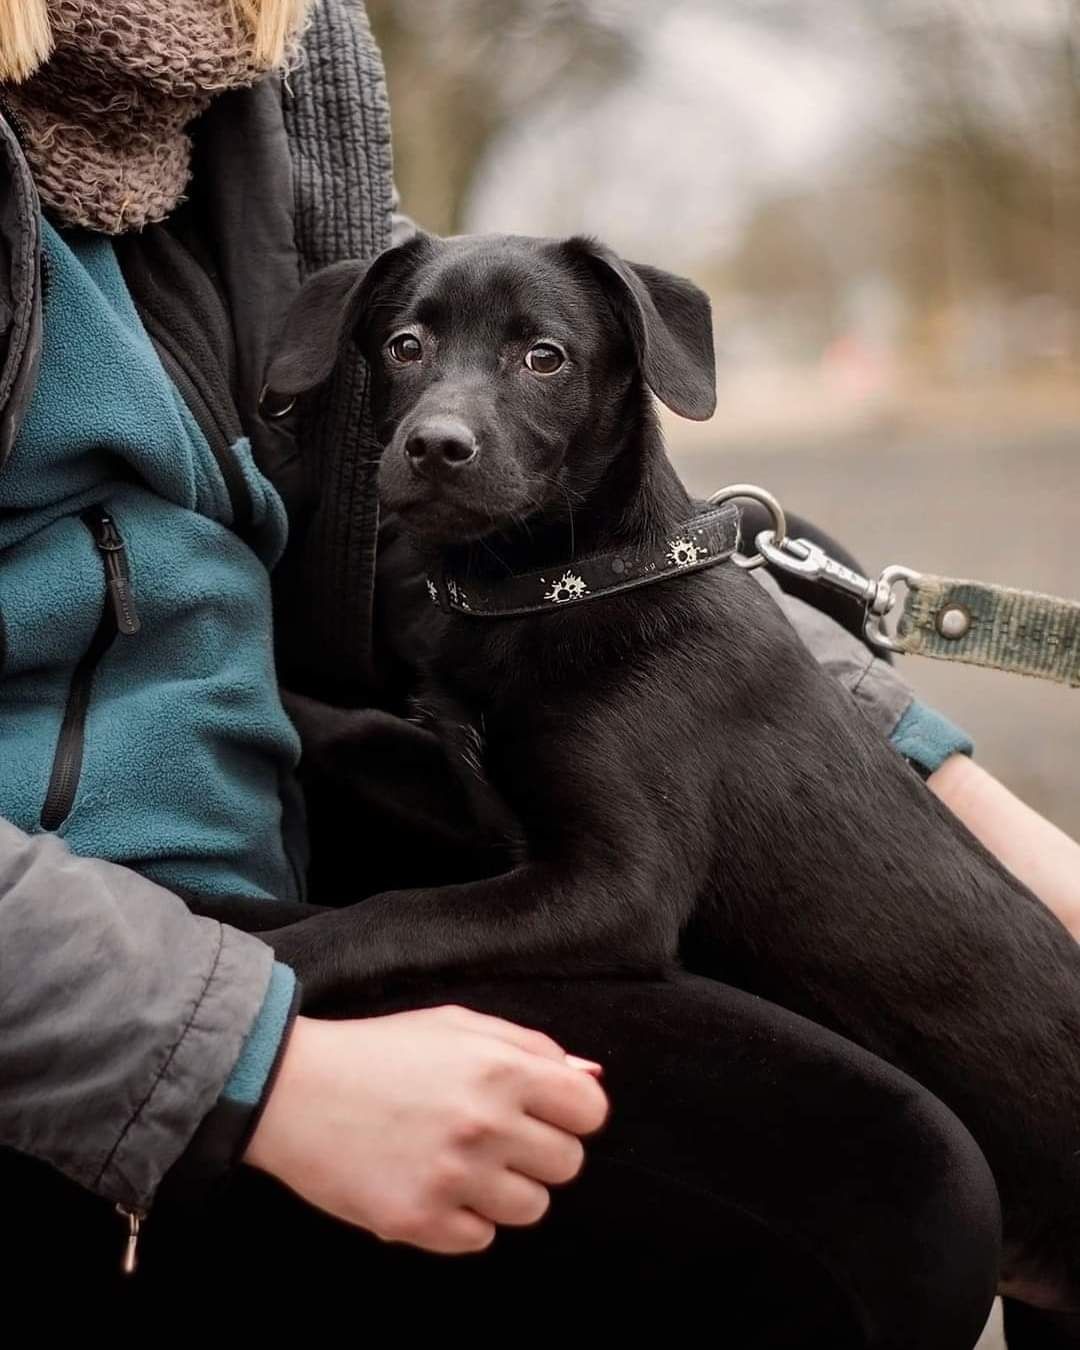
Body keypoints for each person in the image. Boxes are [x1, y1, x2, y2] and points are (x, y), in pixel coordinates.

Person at [0, 1, 1075, 1340]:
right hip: (80, 948)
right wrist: (241, 1041)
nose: (447, 412)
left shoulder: (276, 90)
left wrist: (963, 779)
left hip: (274, 880)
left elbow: (677, 605)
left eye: (539, 361)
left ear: (626, 372)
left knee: (896, 1189)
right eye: (409, 359)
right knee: (876, 1205)